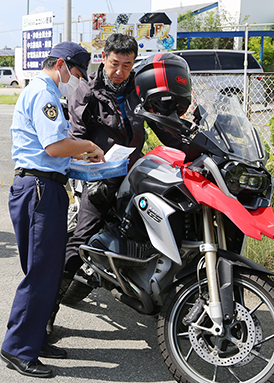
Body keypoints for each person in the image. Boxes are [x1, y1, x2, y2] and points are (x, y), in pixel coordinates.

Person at [47, 35, 192, 333]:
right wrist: (92, 160)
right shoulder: (86, 89)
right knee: (81, 237)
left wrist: (192, 149)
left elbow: (161, 126)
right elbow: (75, 135)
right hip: (98, 171)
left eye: (127, 65)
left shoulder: (140, 87)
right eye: (115, 64)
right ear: (104, 57)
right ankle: (46, 314)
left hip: (135, 170)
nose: (120, 71)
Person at [0, 41, 105, 379]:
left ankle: (33, 339)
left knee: (47, 271)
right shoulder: (44, 93)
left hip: (43, 188)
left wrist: (78, 155)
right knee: (41, 273)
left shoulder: (43, 91)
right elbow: (54, 145)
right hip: (40, 191)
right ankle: (17, 349)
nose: (75, 80)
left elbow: (53, 149)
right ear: (61, 64)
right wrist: (88, 145)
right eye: (75, 73)